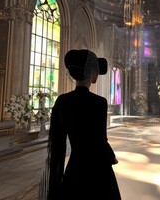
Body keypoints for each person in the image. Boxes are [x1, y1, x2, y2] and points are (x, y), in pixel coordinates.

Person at [46, 49, 121, 199]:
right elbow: (100, 141)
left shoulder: (62, 101)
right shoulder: (99, 102)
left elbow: (57, 145)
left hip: (75, 168)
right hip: (98, 170)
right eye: (96, 70)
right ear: (91, 72)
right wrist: (111, 156)